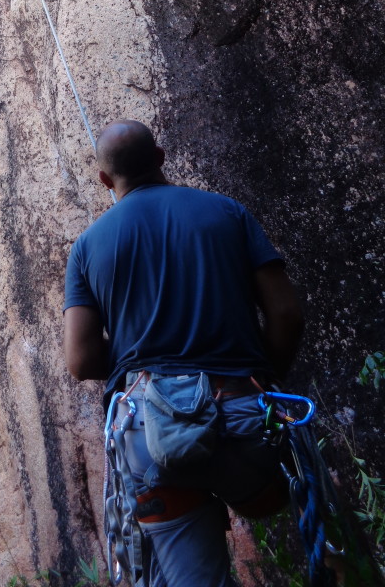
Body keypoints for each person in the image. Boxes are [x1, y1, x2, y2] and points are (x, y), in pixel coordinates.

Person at [63, 120, 305, 587]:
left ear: (104, 180)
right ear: (160, 156)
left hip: (150, 433)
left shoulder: (88, 247)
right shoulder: (227, 213)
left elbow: (81, 359)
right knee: (312, 508)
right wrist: (256, 379)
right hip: (241, 414)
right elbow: (287, 315)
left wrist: (143, 355)